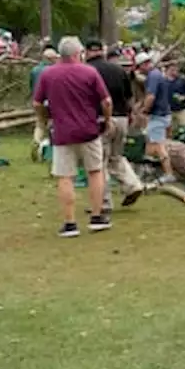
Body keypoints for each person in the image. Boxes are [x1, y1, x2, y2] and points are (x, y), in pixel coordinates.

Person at [32, 36, 113, 237]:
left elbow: (37, 103)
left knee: (65, 176)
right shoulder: (89, 72)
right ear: (78, 53)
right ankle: (96, 217)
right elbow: (107, 101)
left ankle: (70, 223)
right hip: (88, 130)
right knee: (95, 172)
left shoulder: (47, 74)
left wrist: (44, 119)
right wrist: (108, 120)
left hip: (62, 132)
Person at [88, 48, 145, 212]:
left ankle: (103, 202)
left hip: (102, 118)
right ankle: (133, 185)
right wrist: (131, 114)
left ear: (87, 51)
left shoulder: (87, 70)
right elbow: (129, 97)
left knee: (100, 162)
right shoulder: (119, 70)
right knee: (116, 156)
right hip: (122, 118)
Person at [140, 56, 176, 182]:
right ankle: (148, 170)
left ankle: (169, 174)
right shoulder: (156, 74)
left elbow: (151, 97)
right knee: (150, 144)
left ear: (145, 64)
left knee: (159, 145)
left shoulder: (153, 76)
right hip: (162, 113)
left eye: (140, 67)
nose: (140, 70)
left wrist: (145, 110)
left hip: (158, 115)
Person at [30, 44, 57, 161]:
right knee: (53, 124)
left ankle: (36, 142)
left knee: (40, 124)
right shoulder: (54, 70)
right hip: (52, 101)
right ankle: (49, 150)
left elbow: (31, 86)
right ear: (51, 59)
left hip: (37, 101)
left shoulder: (34, 70)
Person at [168, 63, 185, 129]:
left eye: (176, 69)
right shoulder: (164, 81)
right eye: (172, 70)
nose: (174, 71)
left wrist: (184, 97)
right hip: (168, 110)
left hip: (181, 109)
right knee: (167, 129)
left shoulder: (182, 80)